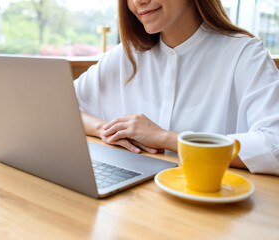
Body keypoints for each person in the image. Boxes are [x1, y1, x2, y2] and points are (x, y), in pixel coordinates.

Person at [73, 0, 279, 175]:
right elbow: (57, 105)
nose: (138, 2)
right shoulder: (125, 56)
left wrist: (164, 138)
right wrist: (105, 129)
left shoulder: (244, 54)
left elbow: (274, 145)